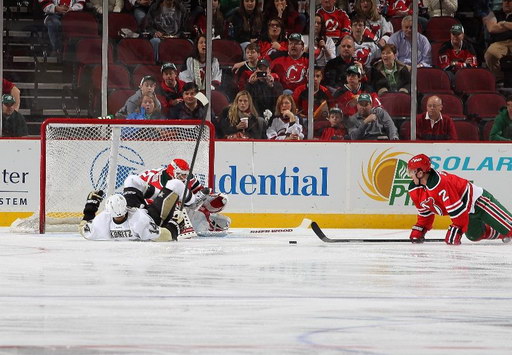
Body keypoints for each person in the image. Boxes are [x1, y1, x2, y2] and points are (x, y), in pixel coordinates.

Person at [407, 154, 512, 245]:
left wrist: (456, 229)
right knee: (474, 236)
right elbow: (425, 213)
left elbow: (458, 211)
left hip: (479, 203)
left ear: (420, 173)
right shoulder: (414, 189)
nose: (410, 175)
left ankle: (506, 229)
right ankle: (502, 231)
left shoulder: (441, 183)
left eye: (412, 172)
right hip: (467, 212)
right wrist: (420, 229)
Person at [124, 158, 231, 236]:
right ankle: (128, 216)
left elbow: (198, 194)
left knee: (183, 198)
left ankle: (206, 218)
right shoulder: (151, 176)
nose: (184, 178)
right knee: (131, 179)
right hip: (149, 213)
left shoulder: (188, 179)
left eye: (186, 175)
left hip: (169, 216)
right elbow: (136, 190)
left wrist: (205, 197)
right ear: (171, 172)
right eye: (181, 174)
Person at [79, 181, 187, 241]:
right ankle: (193, 201)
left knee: (131, 180)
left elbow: (83, 229)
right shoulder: (139, 222)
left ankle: (157, 194)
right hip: (153, 217)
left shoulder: (102, 220)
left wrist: (90, 207)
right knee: (175, 184)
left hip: (136, 211)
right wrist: (175, 226)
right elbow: (164, 236)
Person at [483, 1, 512, 83]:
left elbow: (497, 27)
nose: (507, 3)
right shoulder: (494, 13)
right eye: (505, 1)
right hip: (500, 43)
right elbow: (492, 28)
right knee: (491, 54)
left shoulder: (501, 21)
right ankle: (498, 78)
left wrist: (503, 23)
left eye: (510, 1)